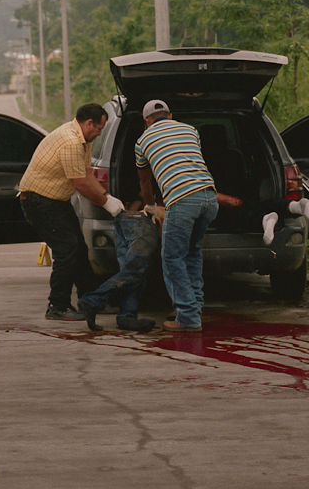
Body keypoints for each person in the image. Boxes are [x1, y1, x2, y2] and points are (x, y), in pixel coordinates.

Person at [17, 102, 121, 320]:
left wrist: (107, 195)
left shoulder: (83, 140)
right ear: (89, 123)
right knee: (67, 250)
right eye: (99, 128)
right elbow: (80, 185)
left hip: (55, 201)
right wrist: (105, 204)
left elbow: (87, 174)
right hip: (39, 202)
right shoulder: (71, 142)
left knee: (80, 249)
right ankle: (57, 306)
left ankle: (90, 301)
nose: (100, 132)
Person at [135, 98, 219, 334]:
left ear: (146, 121)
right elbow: (190, 160)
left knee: (172, 257)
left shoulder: (142, 140)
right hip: (210, 198)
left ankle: (188, 316)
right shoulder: (190, 130)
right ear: (170, 116)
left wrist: (151, 206)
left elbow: (145, 180)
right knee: (192, 251)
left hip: (183, 200)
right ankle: (194, 307)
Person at [77, 199, 158, 333]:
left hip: (122, 219)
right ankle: (92, 301)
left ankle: (127, 315)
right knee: (135, 271)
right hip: (143, 220)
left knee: (129, 269)